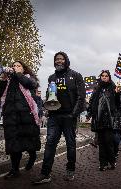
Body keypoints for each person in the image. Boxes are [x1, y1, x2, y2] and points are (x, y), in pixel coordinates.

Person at [33, 51, 85, 184]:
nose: (59, 61)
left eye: (61, 59)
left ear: (66, 60)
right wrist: (48, 107)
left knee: (70, 144)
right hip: (54, 116)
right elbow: (49, 95)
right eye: (56, 59)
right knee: (50, 144)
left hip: (69, 116)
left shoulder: (76, 75)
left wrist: (73, 114)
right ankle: (45, 173)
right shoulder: (51, 77)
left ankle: (70, 170)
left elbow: (81, 97)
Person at [0, 60, 41, 179]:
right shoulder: (8, 81)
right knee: (13, 144)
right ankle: (14, 170)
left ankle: (32, 156)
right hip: (11, 116)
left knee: (29, 141)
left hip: (26, 116)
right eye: (14, 66)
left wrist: (18, 74)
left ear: (23, 69)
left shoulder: (27, 78)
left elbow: (31, 84)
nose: (15, 67)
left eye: (18, 66)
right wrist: (3, 79)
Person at [86, 70, 120, 171]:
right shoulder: (97, 88)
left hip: (109, 119)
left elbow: (118, 104)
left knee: (109, 142)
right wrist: (89, 114)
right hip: (99, 119)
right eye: (102, 76)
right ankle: (102, 163)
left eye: (106, 76)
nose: (104, 77)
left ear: (109, 77)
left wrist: (117, 94)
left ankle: (112, 161)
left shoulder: (113, 88)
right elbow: (92, 102)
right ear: (100, 77)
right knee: (101, 143)